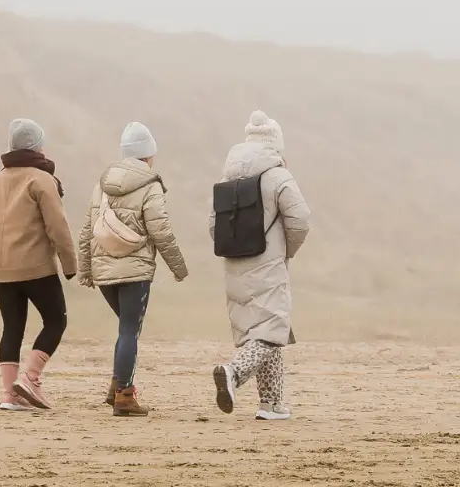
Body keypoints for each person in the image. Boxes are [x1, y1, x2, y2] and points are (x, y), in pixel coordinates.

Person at [75, 122, 190, 416]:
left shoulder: (103, 183)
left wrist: (86, 269)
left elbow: (87, 230)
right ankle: (125, 396)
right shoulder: (150, 185)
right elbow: (161, 231)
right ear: (148, 155)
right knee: (129, 329)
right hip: (135, 270)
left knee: (126, 328)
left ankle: (116, 387)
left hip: (104, 272)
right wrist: (178, 267)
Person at [207, 111, 311, 421]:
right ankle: (234, 371)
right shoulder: (279, 176)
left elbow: (214, 225)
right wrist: (286, 251)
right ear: (276, 143)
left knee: (266, 329)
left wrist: (236, 248)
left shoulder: (227, 178)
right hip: (269, 265)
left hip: (234, 264)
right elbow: (301, 220)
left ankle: (272, 403)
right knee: (269, 331)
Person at [0, 118, 77, 411]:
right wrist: (70, 263)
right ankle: (30, 378)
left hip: (0, 267)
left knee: (12, 327)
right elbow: (57, 225)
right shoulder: (41, 179)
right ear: (37, 146)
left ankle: (9, 395)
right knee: (56, 321)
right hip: (36, 267)